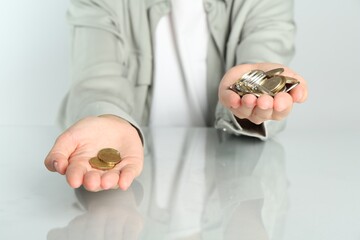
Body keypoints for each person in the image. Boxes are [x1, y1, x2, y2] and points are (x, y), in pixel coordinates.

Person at [44, 0, 308, 192]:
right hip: (135, 186)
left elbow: (264, 53)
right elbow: (96, 76)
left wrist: (248, 102)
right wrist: (106, 115)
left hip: (232, 179)